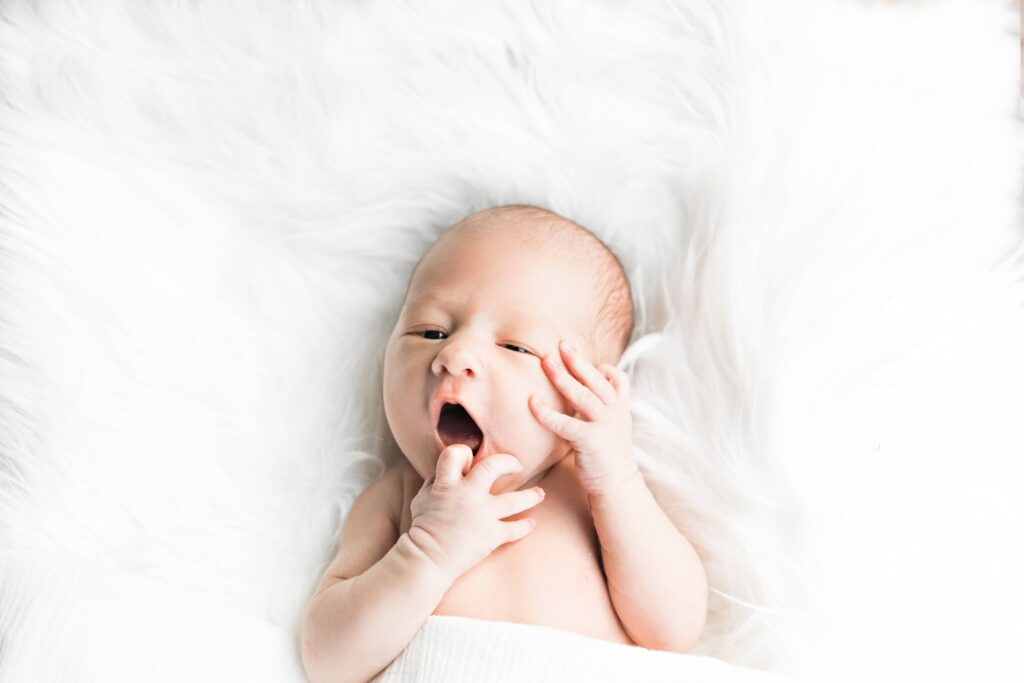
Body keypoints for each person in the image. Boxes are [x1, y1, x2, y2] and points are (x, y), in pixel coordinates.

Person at [300, 204, 707, 683]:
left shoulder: (593, 496)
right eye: (429, 332)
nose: (454, 355)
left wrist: (618, 477)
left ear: (582, 397)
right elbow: (328, 661)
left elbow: (675, 628)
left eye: (516, 347)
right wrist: (428, 553)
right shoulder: (399, 500)